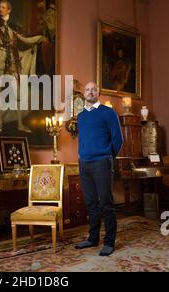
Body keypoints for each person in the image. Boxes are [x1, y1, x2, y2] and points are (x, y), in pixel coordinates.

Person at [0, 0, 47, 133]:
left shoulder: (14, 27)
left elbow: (25, 39)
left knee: (18, 93)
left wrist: (38, 38)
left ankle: (20, 124)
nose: (0, 9)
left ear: (9, 10)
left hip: (12, 64)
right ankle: (0, 123)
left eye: (3, 7)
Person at [75, 82, 123, 257]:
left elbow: (118, 139)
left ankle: (109, 242)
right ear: (84, 93)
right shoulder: (80, 117)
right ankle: (92, 238)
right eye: (87, 89)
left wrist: (108, 157)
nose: (90, 92)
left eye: (93, 89)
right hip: (84, 163)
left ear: (98, 93)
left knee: (106, 204)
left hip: (102, 162)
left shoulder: (108, 113)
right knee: (91, 203)